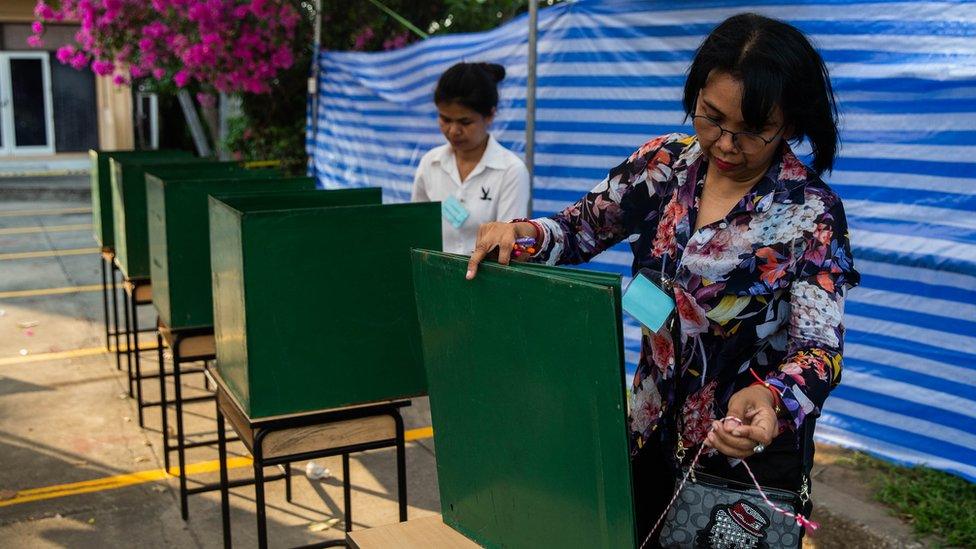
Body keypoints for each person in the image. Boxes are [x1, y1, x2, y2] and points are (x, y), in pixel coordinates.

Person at [466, 13, 859, 545]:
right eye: (711, 117)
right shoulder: (663, 165)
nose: (724, 143)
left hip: (738, 449)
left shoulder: (812, 216)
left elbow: (819, 351)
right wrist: (522, 233)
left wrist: (773, 399)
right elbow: (580, 227)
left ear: (788, 125)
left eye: (751, 131)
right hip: (649, 424)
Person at [412, 62, 531, 254]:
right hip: (433, 278)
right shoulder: (430, 163)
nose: (453, 131)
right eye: (445, 119)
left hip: (485, 281)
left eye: (465, 122)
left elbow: (507, 247)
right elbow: (417, 228)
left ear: (490, 115)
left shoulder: (511, 171)